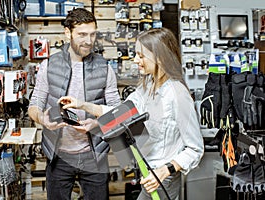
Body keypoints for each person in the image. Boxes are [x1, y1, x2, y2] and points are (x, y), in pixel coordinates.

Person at [59, 27, 204, 200]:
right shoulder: (147, 86)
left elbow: (195, 149)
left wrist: (166, 170)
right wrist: (82, 105)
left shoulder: (177, 94)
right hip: (147, 172)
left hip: (163, 179)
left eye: (141, 56)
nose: (135, 60)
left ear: (160, 57)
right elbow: (121, 113)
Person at [28, 8, 121, 200]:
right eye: (82, 34)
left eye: (93, 34)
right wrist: (42, 119)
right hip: (58, 155)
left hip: (94, 154)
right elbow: (35, 103)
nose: (89, 41)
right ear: (67, 32)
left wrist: (96, 124)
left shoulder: (105, 69)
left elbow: (116, 111)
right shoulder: (49, 65)